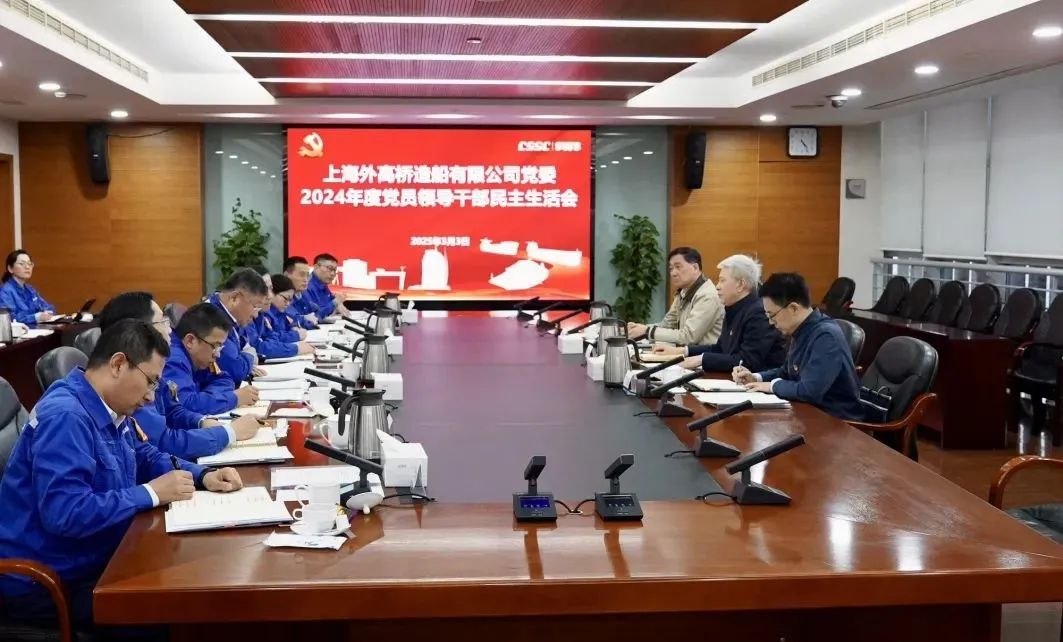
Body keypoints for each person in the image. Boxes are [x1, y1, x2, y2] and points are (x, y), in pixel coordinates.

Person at [0, 319, 243, 627]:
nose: (152, 396)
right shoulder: (66, 417)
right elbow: (65, 513)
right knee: (179, 610)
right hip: (50, 583)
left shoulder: (108, 406)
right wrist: (151, 493)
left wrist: (201, 475)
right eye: (151, 381)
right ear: (118, 364)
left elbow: (144, 455)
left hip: (96, 555)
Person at [97, 292, 260, 459]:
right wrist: (229, 432)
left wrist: (201, 422)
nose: (170, 330)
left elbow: (173, 410)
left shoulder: (151, 364)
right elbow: (164, 442)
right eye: (163, 322)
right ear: (136, 331)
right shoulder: (143, 372)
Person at [733, 272, 864, 421]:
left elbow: (809, 391)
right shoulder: (801, 330)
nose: (770, 322)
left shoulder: (826, 336)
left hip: (837, 422)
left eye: (772, 315)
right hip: (809, 414)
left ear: (793, 308)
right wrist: (756, 378)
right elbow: (787, 372)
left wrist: (771, 386)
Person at [656, 255, 785, 373]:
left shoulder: (758, 312)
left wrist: (701, 359)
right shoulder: (733, 307)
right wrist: (682, 351)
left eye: (722, 281)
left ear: (740, 285)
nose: (717, 286)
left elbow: (747, 360)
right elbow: (720, 348)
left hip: (758, 384)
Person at [163, 302, 260, 415]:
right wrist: (234, 398)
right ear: (190, 341)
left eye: (220, 347)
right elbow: (185, 406)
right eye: (215, 346)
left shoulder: (199, 358)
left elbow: (224, 378)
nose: (217, 355)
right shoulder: (174, 360)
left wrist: (209, 399)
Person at [627, 247, 724, 346]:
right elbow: (666, 325)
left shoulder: (708, 296)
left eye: (678, 267)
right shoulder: (683, 292)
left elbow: (689, 336)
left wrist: (647, 331)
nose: (673, 273)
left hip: (701, 354)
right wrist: (639, 329)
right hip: (684, 352)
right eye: (671, 268)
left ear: (695, 268)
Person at [207, 268, 269, 384]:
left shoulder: (233, 317)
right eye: (254, 307)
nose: (255, 315)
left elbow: (246, 347)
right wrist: (249, 357)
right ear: (234, 298)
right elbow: (236, 370)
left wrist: (245, 360)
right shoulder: (211, 318)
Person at [251, 274, 314, 360]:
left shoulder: (262, 314)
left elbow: (272, 338)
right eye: (285, 298)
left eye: (271, 289)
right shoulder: (265, 314)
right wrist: (295, 345)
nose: (270, 296)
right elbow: (259, 348)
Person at [0, 249, 56, 325]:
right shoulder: (5, 291)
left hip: (36, 329)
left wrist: (48, 312)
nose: (27, 267)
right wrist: (35, 317)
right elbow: (9, 319)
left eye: (29, 264)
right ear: (10, 268)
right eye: (22, 264)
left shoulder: (30, 289)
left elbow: (48, 307)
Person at [304, 253, 344, 319]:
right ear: (316, 267)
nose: (333, 273)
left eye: (335, 270)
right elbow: (313, 316)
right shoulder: (305, 286)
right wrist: (335, 303)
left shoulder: (323, 284)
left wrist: (338, 304)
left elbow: (334, 304)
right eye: (329, 268)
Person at [284, 255, 319, 329]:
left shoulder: (303, 294)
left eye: (308, 275)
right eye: (302, 275)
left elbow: (317, 311)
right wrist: (305, 319)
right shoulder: (282, 296)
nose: (306, 279)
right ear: (286, 275)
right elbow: (294, 319)